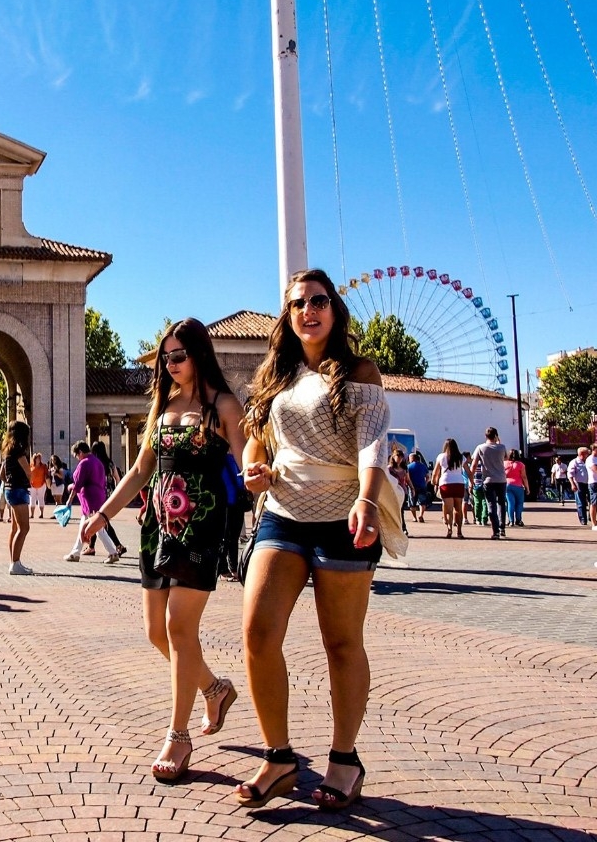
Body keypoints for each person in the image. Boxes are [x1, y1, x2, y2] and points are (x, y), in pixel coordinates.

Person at [231, 271, 402, 810]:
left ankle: (344, 760)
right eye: (299, 303)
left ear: (335, 309)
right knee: (258, 633)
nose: (309, 310)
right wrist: (253, 469)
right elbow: (254, 444)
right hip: (282, 512)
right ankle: (278, 758)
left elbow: (373, 445)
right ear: (288, 315)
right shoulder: (274, 378)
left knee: (341, 642)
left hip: (344, 516)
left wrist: (368, 501)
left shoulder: (359, 371)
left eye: (319, 301)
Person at [80, 317, 245, 785]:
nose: (171, 365)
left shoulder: (223, 405)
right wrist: (102, 516)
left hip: (201, 526)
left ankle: (178, 735)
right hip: (158, 526)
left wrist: (259, 474)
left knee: (178, 627)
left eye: (179, 355)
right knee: (157, 632)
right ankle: (214, 689)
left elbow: (246, 453)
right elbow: (137, 472)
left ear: (199, 353)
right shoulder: (164, 406)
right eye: (165, 358)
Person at [63, 441, 121, 563]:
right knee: (93, 526)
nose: (77, 458)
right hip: (99, 496)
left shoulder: (84, 463)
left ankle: (112, 552)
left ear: (80, 452)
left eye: (76, 455)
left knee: (94, 527)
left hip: (89, 499)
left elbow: (78, 483)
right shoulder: (98, 462)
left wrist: (69, 499)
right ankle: (77, 552)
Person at [0, 421, 35, 575]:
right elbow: (29, 471)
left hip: (9, 490)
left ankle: (15, 561)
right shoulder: (19, 451)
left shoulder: (7, 451)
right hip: (19, 490)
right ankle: (15, 564)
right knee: (24, 528)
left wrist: (10, 481)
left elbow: (1, 475)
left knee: (15, 528)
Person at [87, 441, 128, 556]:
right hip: (109, 494)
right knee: (97, 519)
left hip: (98, 494)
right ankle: (91, 547)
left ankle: (118, 545)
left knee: (101, 520)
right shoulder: (110, 463)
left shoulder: (95, 463)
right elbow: (117, 478)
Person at [471, 427, 508, 540]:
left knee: (491, 504)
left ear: (485, 436)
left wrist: (471, 480)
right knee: (501, 503)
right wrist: (499, 442)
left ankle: (495, 531)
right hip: (501, 479)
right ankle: (502, 528)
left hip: (488, 480)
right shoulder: (502, 447)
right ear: (496, 436)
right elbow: (506, 457)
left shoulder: (480, 448)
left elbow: (473, 464)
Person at [431, 438, 466, 539]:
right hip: (459, 483)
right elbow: (468, 471)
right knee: (458, 509)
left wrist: (434, 482)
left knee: (449, 510)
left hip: (446, 484)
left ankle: (449, 529)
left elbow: (435, 472)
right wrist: (471, 481)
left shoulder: (441, 457)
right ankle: (459, 531)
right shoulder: (461, 457)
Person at [504, 449, 528, 527]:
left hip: (507, 485)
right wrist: (527, 487)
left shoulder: (504, 464)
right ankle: (518, 520)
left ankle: (511, 521)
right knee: (519, 503)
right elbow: (524, 477)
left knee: (510, 503)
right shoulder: (521, 465)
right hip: (518, 486)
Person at [406, 452, 429, 525]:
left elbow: (407, 477)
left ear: (412, 459)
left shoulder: (408, 467)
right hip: (422, 486)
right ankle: (421, 515)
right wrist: (425, 483)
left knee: (412, 503)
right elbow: (427, 476)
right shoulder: (423, 466)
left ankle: (414, 517)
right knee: (422, 502)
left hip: (412, 486)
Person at [28, 452, 48, 519]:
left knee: (41, 498)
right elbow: (28, 474)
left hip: (41, 484)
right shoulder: (30, 466)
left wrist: (47, 482)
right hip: (32, 485)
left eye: (39, 458)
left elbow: (46, 475)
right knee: (32, 499)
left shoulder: (44, 466)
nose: (38, 460)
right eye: (37, 458)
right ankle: (32, 514)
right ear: (34, 459)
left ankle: (41, 514)